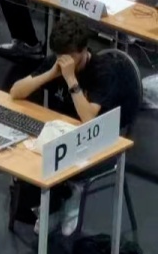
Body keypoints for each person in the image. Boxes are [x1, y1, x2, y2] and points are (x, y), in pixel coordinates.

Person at [9, 17, 139, 234]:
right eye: (61, 55)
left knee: (52, 159)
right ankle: (54, 202)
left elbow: (88, 119)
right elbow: (16, 91)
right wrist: (50, 74)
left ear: (84, 50)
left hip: (99, 140)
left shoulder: (103, 71)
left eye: (71, 56)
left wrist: (71, 79)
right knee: (25, 155)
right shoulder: (57, 62)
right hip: (62, 132)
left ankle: (71, 192)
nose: (65, 61)